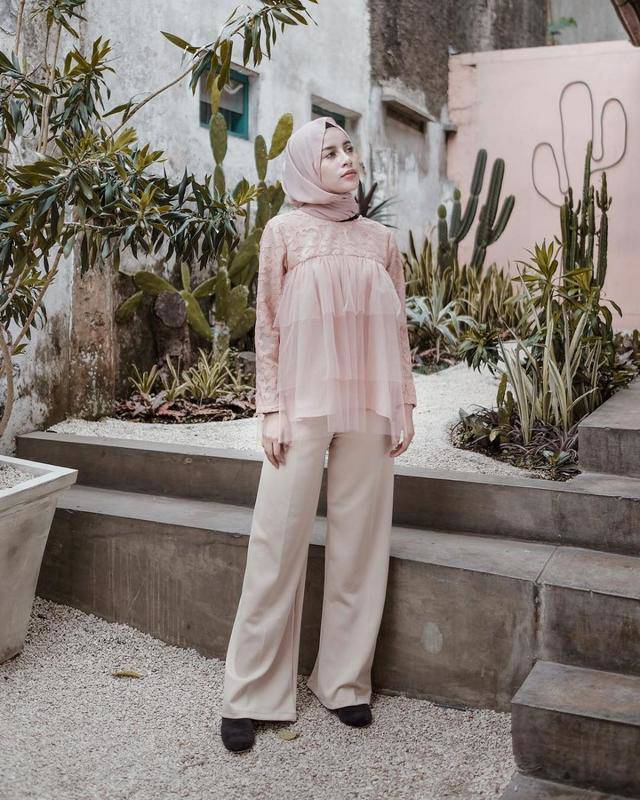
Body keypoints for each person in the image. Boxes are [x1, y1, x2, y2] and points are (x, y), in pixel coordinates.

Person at [220, 116, 417, 752]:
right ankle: (250, 691)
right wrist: (269, 409)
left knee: (361, 543)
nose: (344, 159)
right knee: (276, 542)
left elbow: (397, 330)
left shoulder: (382, 241)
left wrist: (404, 403)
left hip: (370, 407)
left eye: (347, 149)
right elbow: (268, 323)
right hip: (302, 406)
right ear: (307, 166)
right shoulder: (283, 232)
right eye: (328, 153)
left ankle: (344, 682)